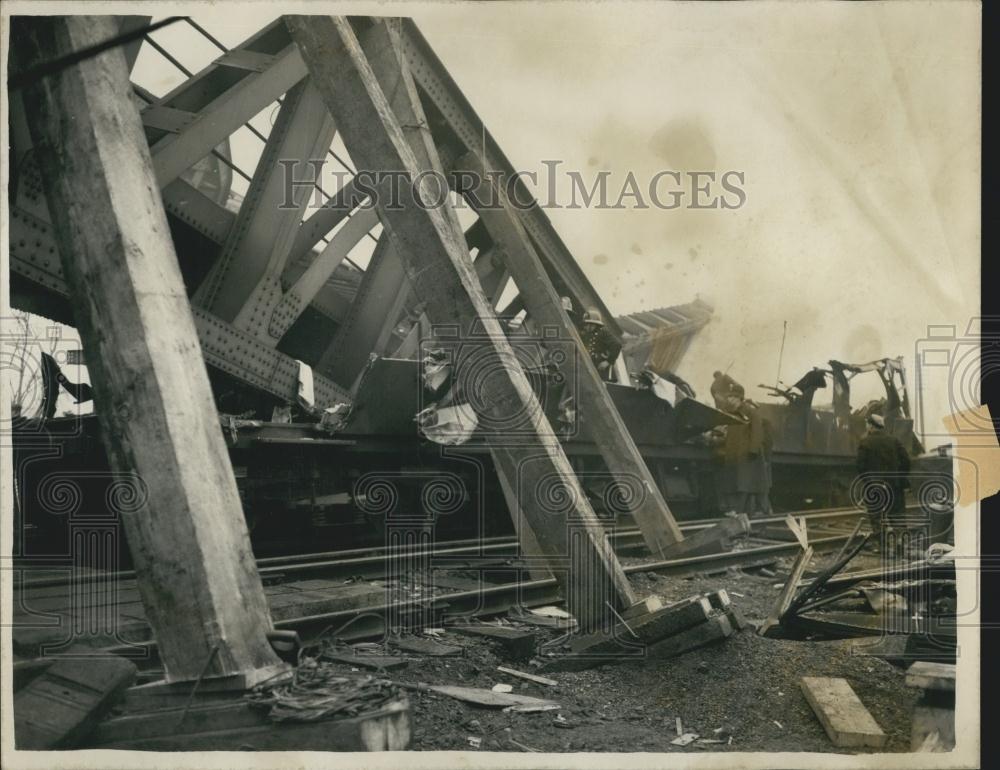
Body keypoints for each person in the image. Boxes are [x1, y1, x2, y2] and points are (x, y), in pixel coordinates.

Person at [856, 413, 910, 554]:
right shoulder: (894, 440)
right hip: (894, 486)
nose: (866, 426)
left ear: (871, 425)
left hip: (874, 487)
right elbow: (906, 461)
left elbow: (860, 467)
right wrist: (899, 478)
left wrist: (869, 482)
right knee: (897, 515)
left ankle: (884, 547)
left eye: (867, 423)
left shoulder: (865, 442)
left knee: (877, 517)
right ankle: (900, 544)